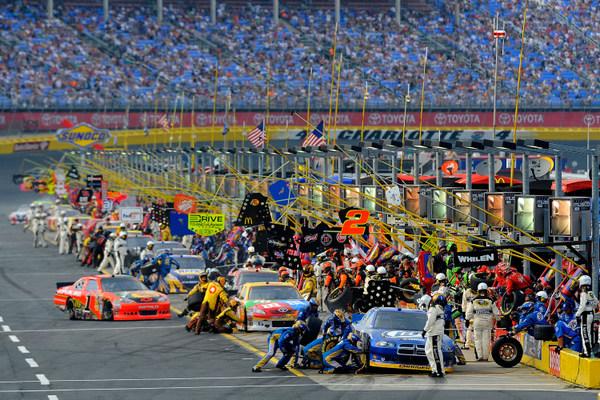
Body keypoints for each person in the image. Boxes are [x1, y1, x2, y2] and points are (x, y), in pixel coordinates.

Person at [465, 283, 499, 361]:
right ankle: (485, 357)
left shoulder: (474, 301)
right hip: (487, 323)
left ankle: (480, 356)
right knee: (486, 340)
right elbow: (496, 312)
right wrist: (498, 320)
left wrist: (467, 320)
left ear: (478, 291)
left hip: (477, 322)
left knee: (477, 340)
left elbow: (469, 312)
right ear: (486, 291)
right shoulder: (491, 300)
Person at [575, 275, 598, 357]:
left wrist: (577, 314)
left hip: (585, 315)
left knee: (584, 333)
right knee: (589, 333)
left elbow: (582, 306)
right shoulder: (590, 292)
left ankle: (586, 352)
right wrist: (591, 306)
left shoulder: (583, 293)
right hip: (591, 313)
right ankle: (589, 349)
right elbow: (596, 302)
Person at [423, 294, 446, 378]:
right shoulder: (440, 308)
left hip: (434, 333)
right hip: (435, 332)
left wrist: (424, 330)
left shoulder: (433, 308)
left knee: (435, 351)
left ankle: (439, 371)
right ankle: (435, 369)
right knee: (429, 351)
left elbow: (430, 321)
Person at [461, 274, 477, 349]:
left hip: (469, 312)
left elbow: (463, 303)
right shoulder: (479, 290)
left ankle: (467, 344)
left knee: (469, 328)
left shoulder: (466, 291)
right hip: (477, 312)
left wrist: (464, 313)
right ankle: (474, 344)